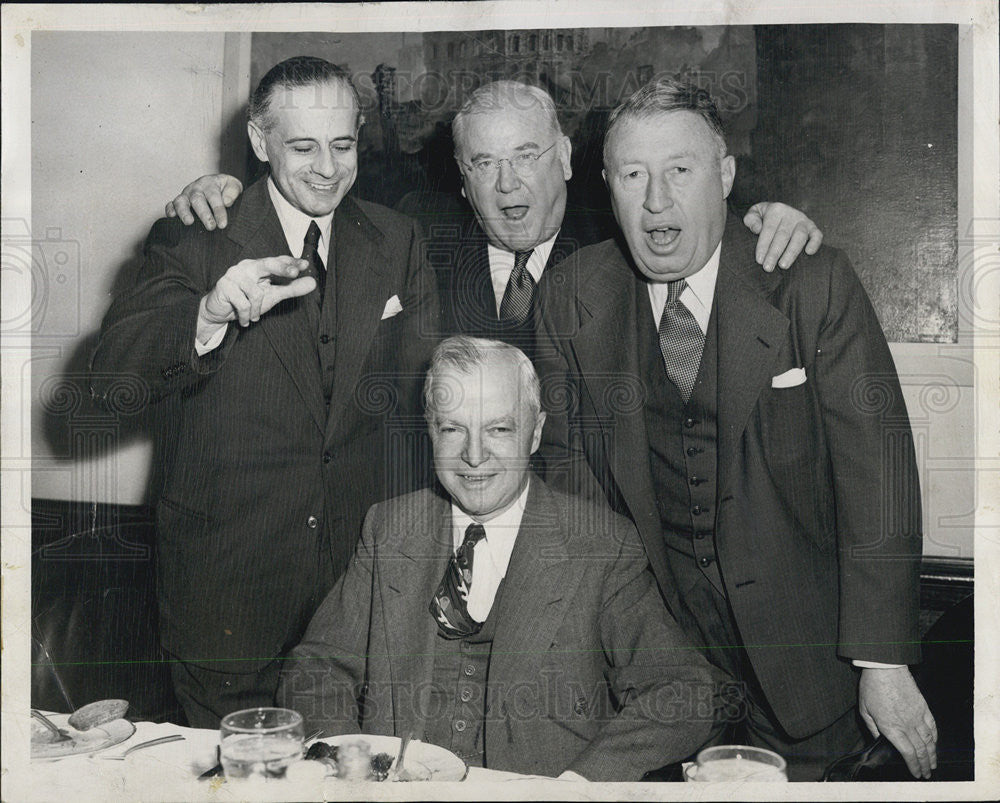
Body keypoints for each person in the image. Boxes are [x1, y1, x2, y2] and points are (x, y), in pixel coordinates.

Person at [534, 78, 936, 780]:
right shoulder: (571, 297)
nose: (656, 200)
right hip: (665, 677)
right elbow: (575, 493)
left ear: (724, 175)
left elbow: (880, 477)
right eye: (634, 174)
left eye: (680, 171)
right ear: (607, 184)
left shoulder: (811, 282)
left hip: (814, 671)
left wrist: (884, 660)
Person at [88, 56, 440, 728]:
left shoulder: (397, 239)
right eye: (303, 146)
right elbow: (108, 377)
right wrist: (207, 318)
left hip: (354, 610)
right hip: (225, 607)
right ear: (259, 143)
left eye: (342, 145)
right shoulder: (196, 234)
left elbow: (421, 400)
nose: (327, 168)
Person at [277, 336, 726, 780]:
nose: (474, 456)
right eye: (453, 429)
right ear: (431, 431)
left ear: (534, 433)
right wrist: (355, 771)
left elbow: (684, 690)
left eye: (499, 429)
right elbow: (316, 669)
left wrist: (578, 787)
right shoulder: (389, 528)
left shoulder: (601, 545)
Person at [164, 81, 824, 361]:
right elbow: (311, 219)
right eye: (484, 163)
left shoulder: (621, 241)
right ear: (461, 178)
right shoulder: (416, 237)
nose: (507, 183)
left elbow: (695, 220)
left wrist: (764, 220)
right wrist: (224, 194)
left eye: (526, 156)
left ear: (565, 157)